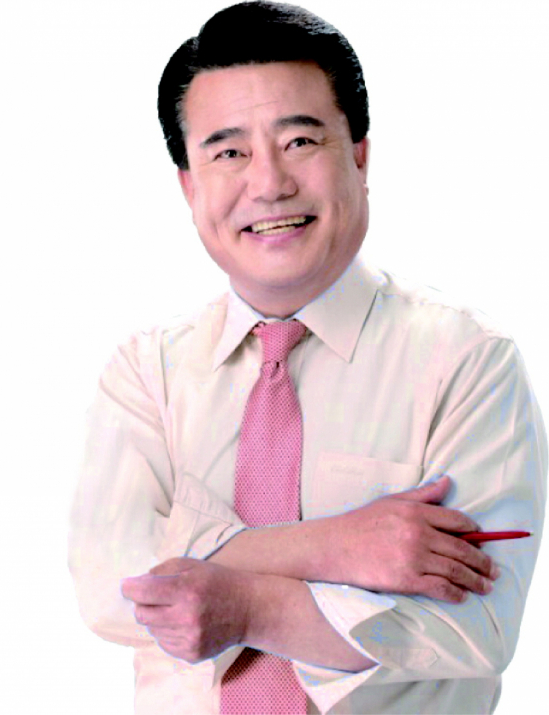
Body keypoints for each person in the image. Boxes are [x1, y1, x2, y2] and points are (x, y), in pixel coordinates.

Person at [68, 2, 547, 713]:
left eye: (299, 140)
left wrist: (245, 605)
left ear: (359, 154)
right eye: (228, 152)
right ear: (190, 185)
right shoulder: (146, 373)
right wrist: (336, 546)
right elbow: (111, 586)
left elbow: (475, 630)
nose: (269, 183)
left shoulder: (468, 361)